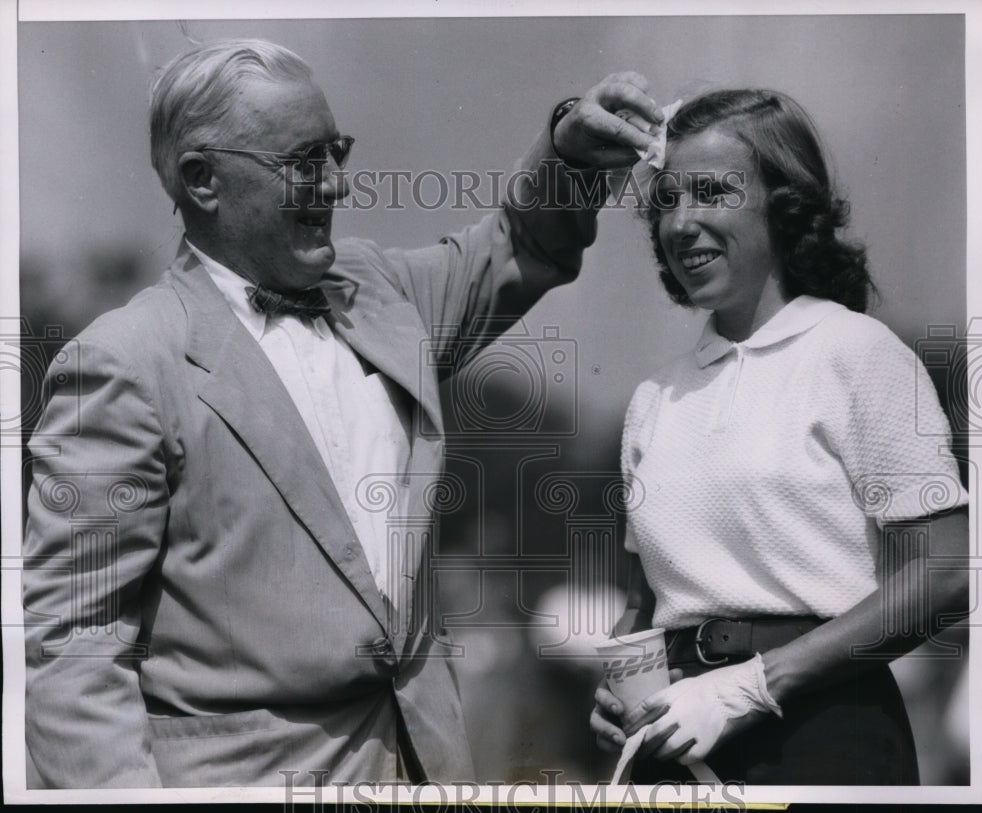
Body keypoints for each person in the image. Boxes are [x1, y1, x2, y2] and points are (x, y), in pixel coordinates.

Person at [21, 38, 666, 788]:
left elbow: (518, 244)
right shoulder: (125, 362)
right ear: (203, 180)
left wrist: (570, 153)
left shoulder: (378, 291)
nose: (334, 185)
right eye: (302, 162)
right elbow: (75, 644)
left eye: (336, 152)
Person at [590, 89, 969, 785]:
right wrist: (617, 693)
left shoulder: (855, 353)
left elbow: (947, 572)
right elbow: (643, 604)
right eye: (667, 200)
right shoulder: (652, 400)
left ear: (784, 203)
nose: (682, 223)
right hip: (677, 743)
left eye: (710, 192)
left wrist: (752, 685)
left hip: (824, 729)